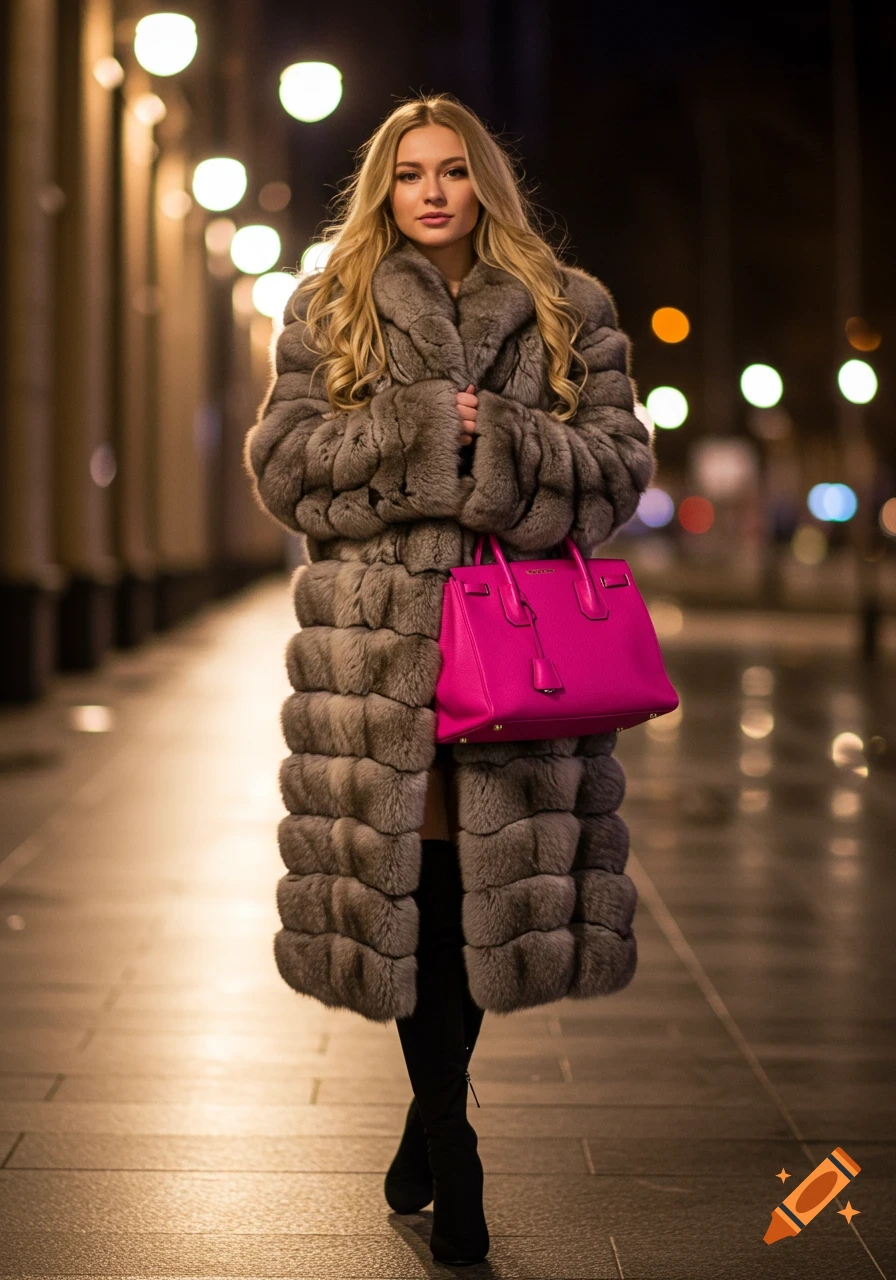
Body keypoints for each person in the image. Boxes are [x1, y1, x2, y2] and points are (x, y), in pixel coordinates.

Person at [243, 92, 655, 1266]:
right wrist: (421, 432)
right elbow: (285, 469)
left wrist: (509, 442)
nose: (431, 191)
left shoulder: (571, 309)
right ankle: (452, 1139)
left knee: (476, 888)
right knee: (415, 890)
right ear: (383, 188)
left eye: (453, 171)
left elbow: (620, 469)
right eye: (409, 172)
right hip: (376, 663)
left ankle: (427, 1126)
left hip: (515, 651)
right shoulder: (328, 305)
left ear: (485, 184)